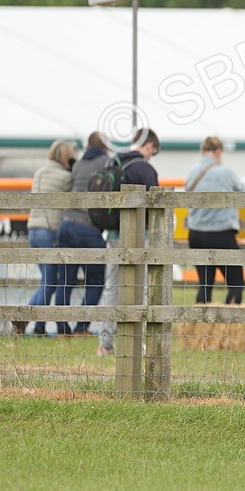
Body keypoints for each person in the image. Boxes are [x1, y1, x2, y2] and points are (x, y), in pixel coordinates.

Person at [96, 130, 161, 357]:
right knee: (141, 287)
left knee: (112, 285)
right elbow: (157, 207)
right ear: (150, 145)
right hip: (138, 235)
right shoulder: (145, 169)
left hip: (114, 233)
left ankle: (105, 343)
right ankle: (139, 342)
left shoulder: (112, 162)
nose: (152, 156)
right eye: (153, 151)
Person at [59, 132, 112, 336]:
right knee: (96, 280)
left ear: (88, 145)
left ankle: (62, 329)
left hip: (66, 225)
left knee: (65, 280)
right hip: (88, 227)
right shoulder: (106, 163)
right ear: (105, 147)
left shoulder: (78, 164)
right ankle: (82, 328)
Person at [22, 139, 77, 336]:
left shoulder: (40, 172)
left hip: (33, 230)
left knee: (46, 280)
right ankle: (32, 322)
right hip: (50, 231)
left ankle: (29, 320)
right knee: (50, 282)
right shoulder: (66, 177)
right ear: (66, 158)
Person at [185, 136, 245, 305]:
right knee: (235, 283)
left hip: (196, 233)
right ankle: (231, 323)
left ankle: (200, 327)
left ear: (203, 151)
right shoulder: (226, 173)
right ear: (218, 151)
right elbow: (244, 195)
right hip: (222, 233)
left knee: (204, 284)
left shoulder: (192, 172)